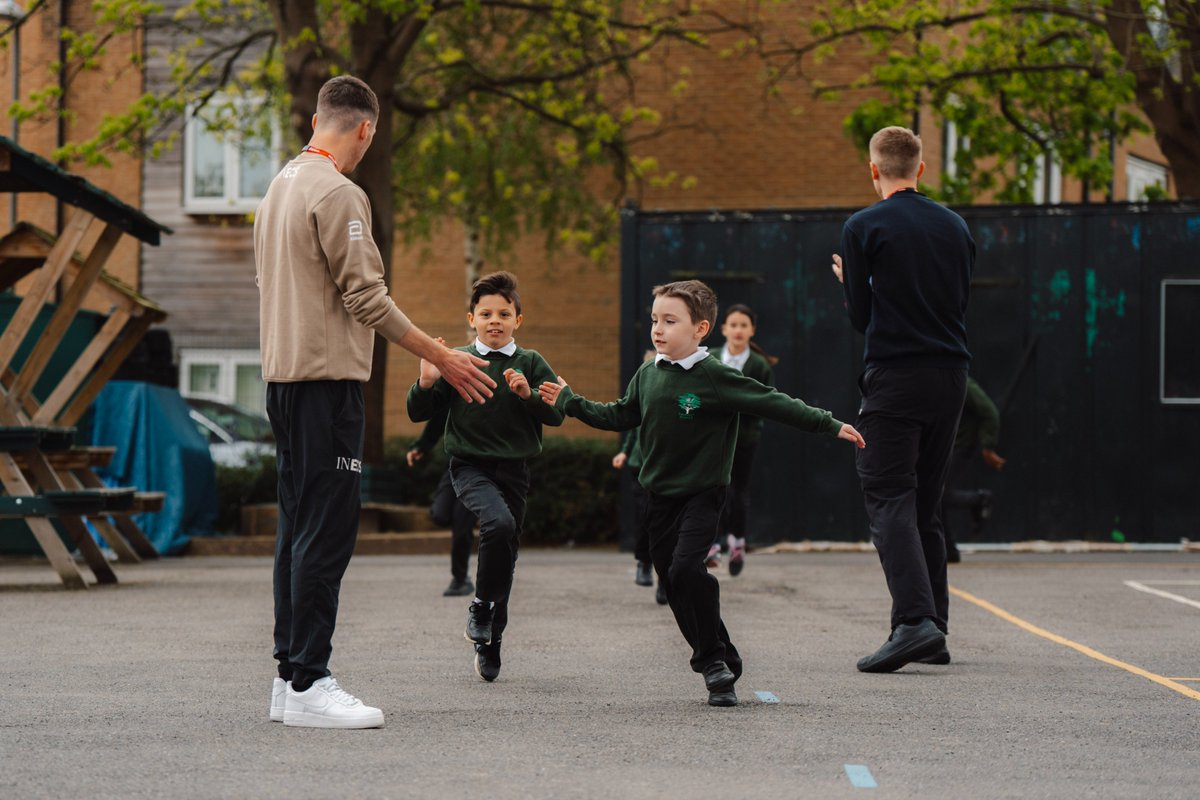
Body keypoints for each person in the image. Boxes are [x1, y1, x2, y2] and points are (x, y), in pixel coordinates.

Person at [255, 75, 496, 729]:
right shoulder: (338, 191)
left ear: (315, 118)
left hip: (283, 382)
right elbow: (366, 298)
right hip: (326, 388)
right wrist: (443, 355)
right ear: (364, 128)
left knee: (295, 533)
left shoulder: (279, 187)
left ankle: (288, 678)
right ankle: (309, 681)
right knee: (325, 535)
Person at [539, 280, 865, 707]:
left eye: (670, 321)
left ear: (700, 329)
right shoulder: (648, 373)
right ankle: (724, 652)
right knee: (673, 582)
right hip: (658, 498)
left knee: (688, 571)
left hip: (703, 495)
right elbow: (618, 415)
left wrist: (828, 423)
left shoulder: (717, 377)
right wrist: (570, 401)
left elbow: (774, 402)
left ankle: (712, 665)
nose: (658, 328)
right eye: (655, 319)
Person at [831, 125, 974, 673]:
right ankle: (932, 627)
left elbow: (863, 319)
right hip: (952, 373)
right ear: (921, 170)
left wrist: (852, 285)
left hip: (897, 374)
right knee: (926, 502)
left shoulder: (863, 225)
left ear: (874, 170)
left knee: (887, 490)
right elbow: (956, 301)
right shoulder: (956, 225)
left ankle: (912, 622)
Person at [408, 271, 564, 683]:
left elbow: (556, 413)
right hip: (469, 466)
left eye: (504, 313)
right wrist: (426, 380)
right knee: (498, 522)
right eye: (486, 313)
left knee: (505, 559)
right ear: (471, 319)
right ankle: (479, 606)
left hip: (515, 471)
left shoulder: (530, 363)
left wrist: (530, 396)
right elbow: (418, 411)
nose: (495, 320)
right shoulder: (457, 359)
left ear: (518, 320)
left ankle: (491, 641)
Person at [706, 303, 775, 576]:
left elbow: (766, 401)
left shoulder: (758, 365)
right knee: (711, 488)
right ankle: (711, 544)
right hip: (711, 438)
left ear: (752, 331)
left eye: (743, 325)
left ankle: (737, 543)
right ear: (723, 329)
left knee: (738, 491)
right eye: (733, 324)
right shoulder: (709, 358)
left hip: (744, 438)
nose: (738, 330)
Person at [407, 405, 477, 595]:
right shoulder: (456, 389)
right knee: (439, 514)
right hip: (454, 464)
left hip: (480, 468)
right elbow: (438, 419)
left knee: (462, 527)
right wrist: (420, 447)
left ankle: (460, 579)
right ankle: (464, 519)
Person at [941, 377, 1006, 563]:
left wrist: (988, 446)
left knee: (935, 494)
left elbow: (990, 412)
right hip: (944, 445)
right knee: (934, 495)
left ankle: (979, 500)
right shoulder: (934, 381)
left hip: (961, 445)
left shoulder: (962, 382)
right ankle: (948, 550)